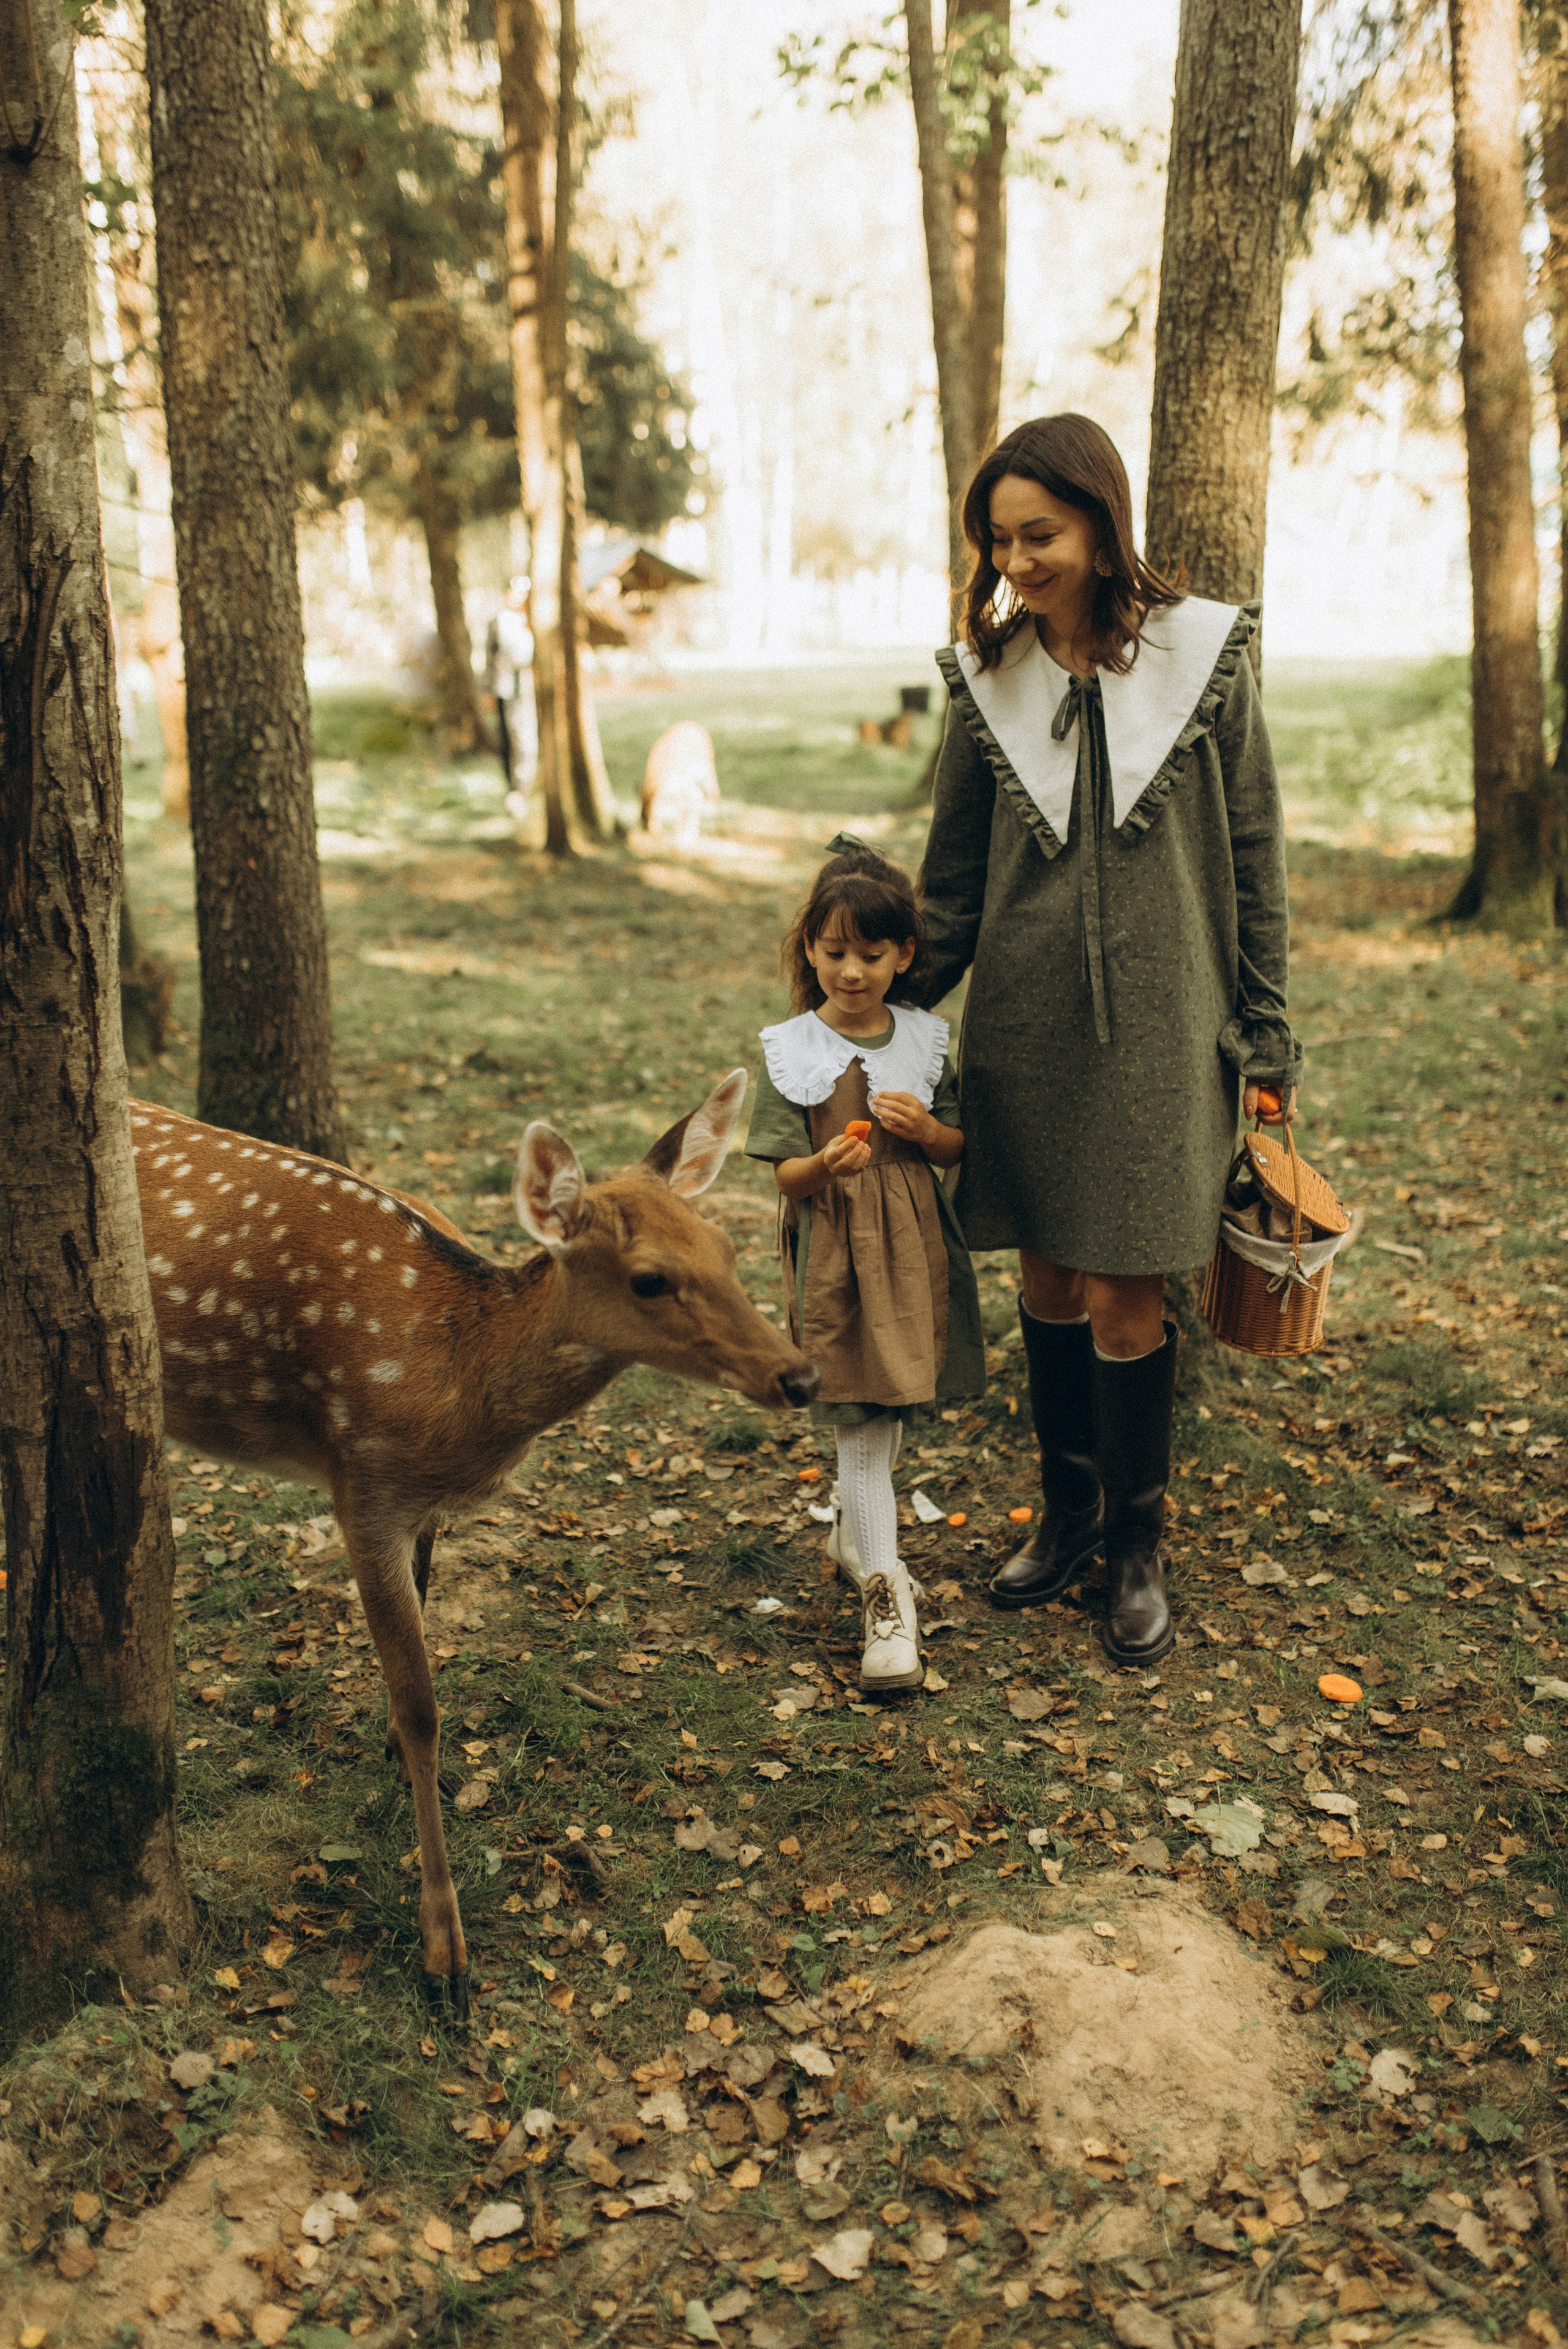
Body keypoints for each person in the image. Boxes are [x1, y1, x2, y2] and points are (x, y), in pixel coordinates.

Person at [918, 413, 1302, 1667]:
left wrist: (1267, 1034)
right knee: (1041, 1273)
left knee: (1127, 1286)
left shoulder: (1201, 658)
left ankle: (1137, 1542)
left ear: (1099, 522)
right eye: (997, 540)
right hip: (1022, 1026)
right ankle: (1070, 1512)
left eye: (1037, 534)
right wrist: (867, 1014)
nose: (1014, 561)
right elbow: (951, 882)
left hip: (1163, 1025)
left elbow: (1252, 856)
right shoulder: (990, 679)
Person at [745, 837, 985, 1694]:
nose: (851, 971)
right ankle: (886, 1601)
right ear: (810, 948)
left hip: (913, 1247)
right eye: (835, 951)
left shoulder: (923, 1039)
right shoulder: (791, 1048)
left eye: (871, 954)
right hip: (838, 1253)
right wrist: (824, 1169)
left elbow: (956, 1144)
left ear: (905, 955)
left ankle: (856, 1539)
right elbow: (782, 1169)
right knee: (861, 1417)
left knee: (885, 1412)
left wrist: (924, 1131)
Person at [484, 574, 538, 820]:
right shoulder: (505, 621)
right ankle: (518, 792)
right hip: (511, 691)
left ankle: (521, 790)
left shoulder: (523, 619)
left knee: (521, 740)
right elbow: (518, 655)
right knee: (518, 741)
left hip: (523, 691)